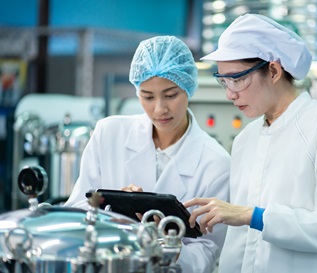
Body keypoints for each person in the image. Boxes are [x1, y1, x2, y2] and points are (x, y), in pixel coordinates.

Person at [184, 13, 317, 273]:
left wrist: (254, 216)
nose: (230, 93)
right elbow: (242, 241)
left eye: (237, 79)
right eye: (223, 81)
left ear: (273, 71)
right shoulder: (245, 139)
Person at [64, 35, 230, 273]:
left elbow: (207, 252)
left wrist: (165, 243)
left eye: (171, 95)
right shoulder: (108, 134)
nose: (159, 109)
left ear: (188, 87)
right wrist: (113, 209)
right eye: (148, 96)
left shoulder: (216, 163)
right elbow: (78, 210)